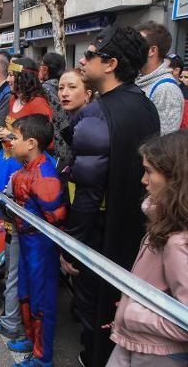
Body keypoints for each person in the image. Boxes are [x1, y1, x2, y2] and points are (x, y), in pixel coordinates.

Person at [61, 24, 160, 366]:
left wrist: (71, 248)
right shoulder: (146, 106)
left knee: (95, 310)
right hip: (134, 229)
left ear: (111, 64)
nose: (83, 61)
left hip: (100, 235)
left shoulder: (96, 115)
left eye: (90, 55)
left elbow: (87, 192)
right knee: (118, 307)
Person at [0, 57, 53, 345]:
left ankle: (17, 320)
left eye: (13, 76)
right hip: (8, 163)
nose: (9, 81)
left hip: (22, 171)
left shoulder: (39, 107)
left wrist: (10, 137)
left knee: (22, 258)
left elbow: (39, 139)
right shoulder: (11, 98)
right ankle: (0, 272)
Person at [106, 131, 188, 367]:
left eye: (149, 171)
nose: (143, 180)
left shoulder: (178, 243)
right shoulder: (166, 223)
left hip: (158, 353)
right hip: (142, 343)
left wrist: (132, 314)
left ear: (175, 178)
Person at [6, 114, 67, 367]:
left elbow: (57, 219)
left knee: (42, 301)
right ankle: (32, 340)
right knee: (26, 293)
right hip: (26, 241)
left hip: (42, 247)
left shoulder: (45, 177)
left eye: (15, 137)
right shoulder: (25, 170)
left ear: (31, 143)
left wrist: (63, 253)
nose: (10, 142)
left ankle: (43, 358)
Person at [134, 22, 184, 135]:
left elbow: (163, 142)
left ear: (152, 51)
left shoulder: (167, 89)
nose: (130, 48)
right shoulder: (138, 79)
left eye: (136, 44)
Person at [39, 52, 71, 169]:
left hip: (53, 147)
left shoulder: (43, 90)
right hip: (68, 141)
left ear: (45, 69)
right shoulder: (65, 86)